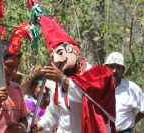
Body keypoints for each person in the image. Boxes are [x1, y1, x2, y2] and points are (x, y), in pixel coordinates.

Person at [29, 5, 116, 133]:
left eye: (60, 52)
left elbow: (93, 98)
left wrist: (64, 80)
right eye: (53, 57)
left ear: (75, 50)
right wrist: (39, 126)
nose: (57, 60)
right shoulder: (57, 80)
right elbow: (54, 113)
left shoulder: (94, 73)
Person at [103, 52, 144, 133]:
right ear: (105, 68)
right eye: (111, 66)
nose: (114, 70)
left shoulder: (131, 88)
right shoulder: (98, 87)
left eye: (118, 67)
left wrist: (132, 123)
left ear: (122, 71)